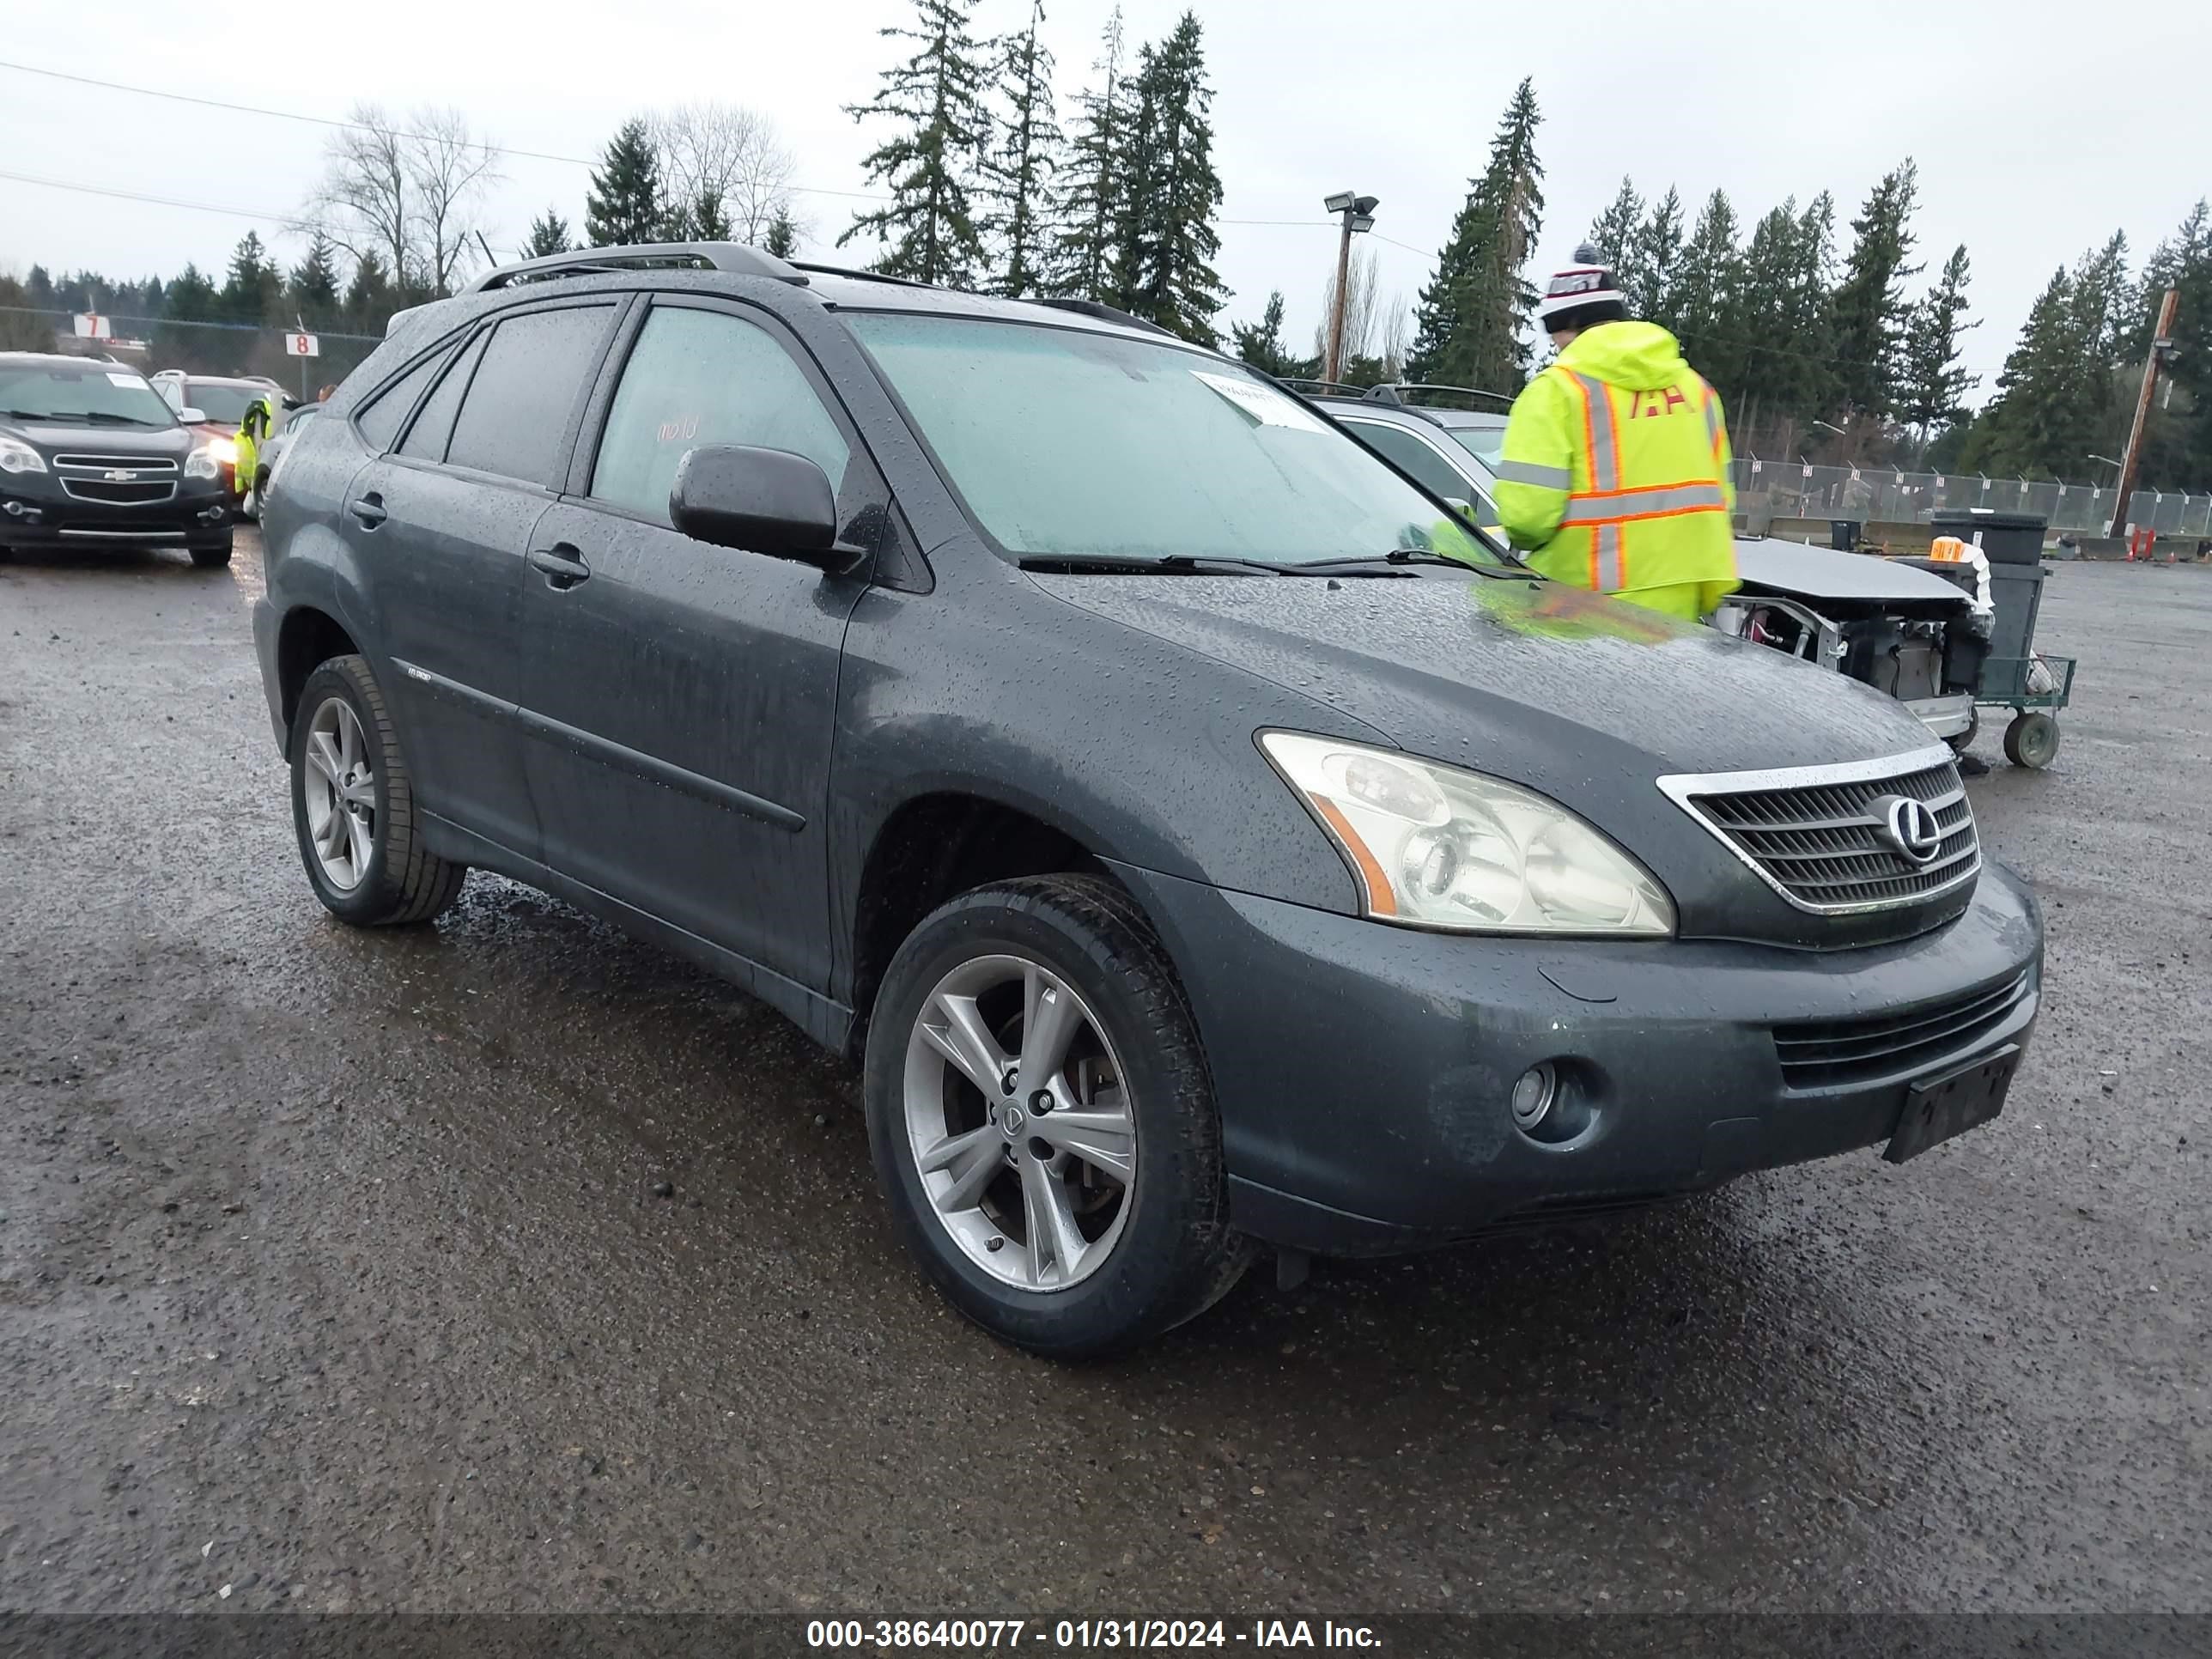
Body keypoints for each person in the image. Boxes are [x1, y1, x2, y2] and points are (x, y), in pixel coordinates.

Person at [1492, 246, 1740, 622]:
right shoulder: (1697, 390)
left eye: (1552, 330)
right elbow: (1723, 500)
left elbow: (1527, 519)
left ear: (1564, 326)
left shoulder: (1556, 392)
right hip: (1683, 607)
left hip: (1580, 611)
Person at [234, 394, 275, 510]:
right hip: (256, 484)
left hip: (265, 481)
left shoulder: (271, 431)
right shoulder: (241, 438)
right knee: (248, 508)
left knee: (249, 508)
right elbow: (238, 465)